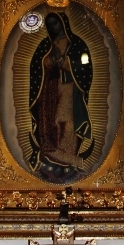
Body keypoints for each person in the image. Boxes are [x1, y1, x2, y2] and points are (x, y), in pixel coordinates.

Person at [28, 11, 95, 183]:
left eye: (55, 23)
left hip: (69, 89)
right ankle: (68, 160)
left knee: (67, 123)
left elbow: (85, 68)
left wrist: (65, 63)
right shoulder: (44, 45)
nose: (52, 27)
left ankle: (70, 160)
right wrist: (50, 62)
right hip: (49, 92)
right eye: (49, 24)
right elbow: (37, 67)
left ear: (63, 23)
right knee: (52, 125)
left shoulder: (77, 45)